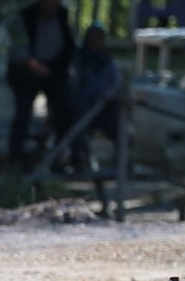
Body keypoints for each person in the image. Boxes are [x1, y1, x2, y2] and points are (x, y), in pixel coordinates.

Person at [6, 0, 77, 171]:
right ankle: (15, 161)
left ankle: (61, 158)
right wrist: (35, 66)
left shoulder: (63, 15)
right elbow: (18, 49)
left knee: (64, 112)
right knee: (22, 117)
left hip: (54, 71)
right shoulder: (25, 16)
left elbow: (69, 46)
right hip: (26, 72)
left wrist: (56, 68)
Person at [71, 22, 122, 171]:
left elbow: (114, 84)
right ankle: (78, 161)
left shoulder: (107, 61)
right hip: (82, 108)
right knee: (75, 125)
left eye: (98, 38)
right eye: (92, 38)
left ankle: (121, 162)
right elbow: (75, 85)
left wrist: (106, 96)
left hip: (104, 108)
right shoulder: (78, 59)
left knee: (118, 124)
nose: (95, 42)